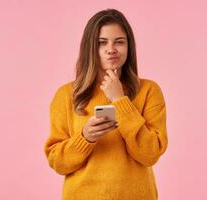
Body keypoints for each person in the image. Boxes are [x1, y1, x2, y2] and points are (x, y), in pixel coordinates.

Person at [44, 8, 168, 200]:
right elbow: (58, 163)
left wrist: (120, 100)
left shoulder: (149, 90)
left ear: (129, 47)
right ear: (89, 48)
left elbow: (150, 154)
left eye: (119, 41)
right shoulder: (66, 95)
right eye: (102, 43)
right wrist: (85, 137)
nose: (112, 49)